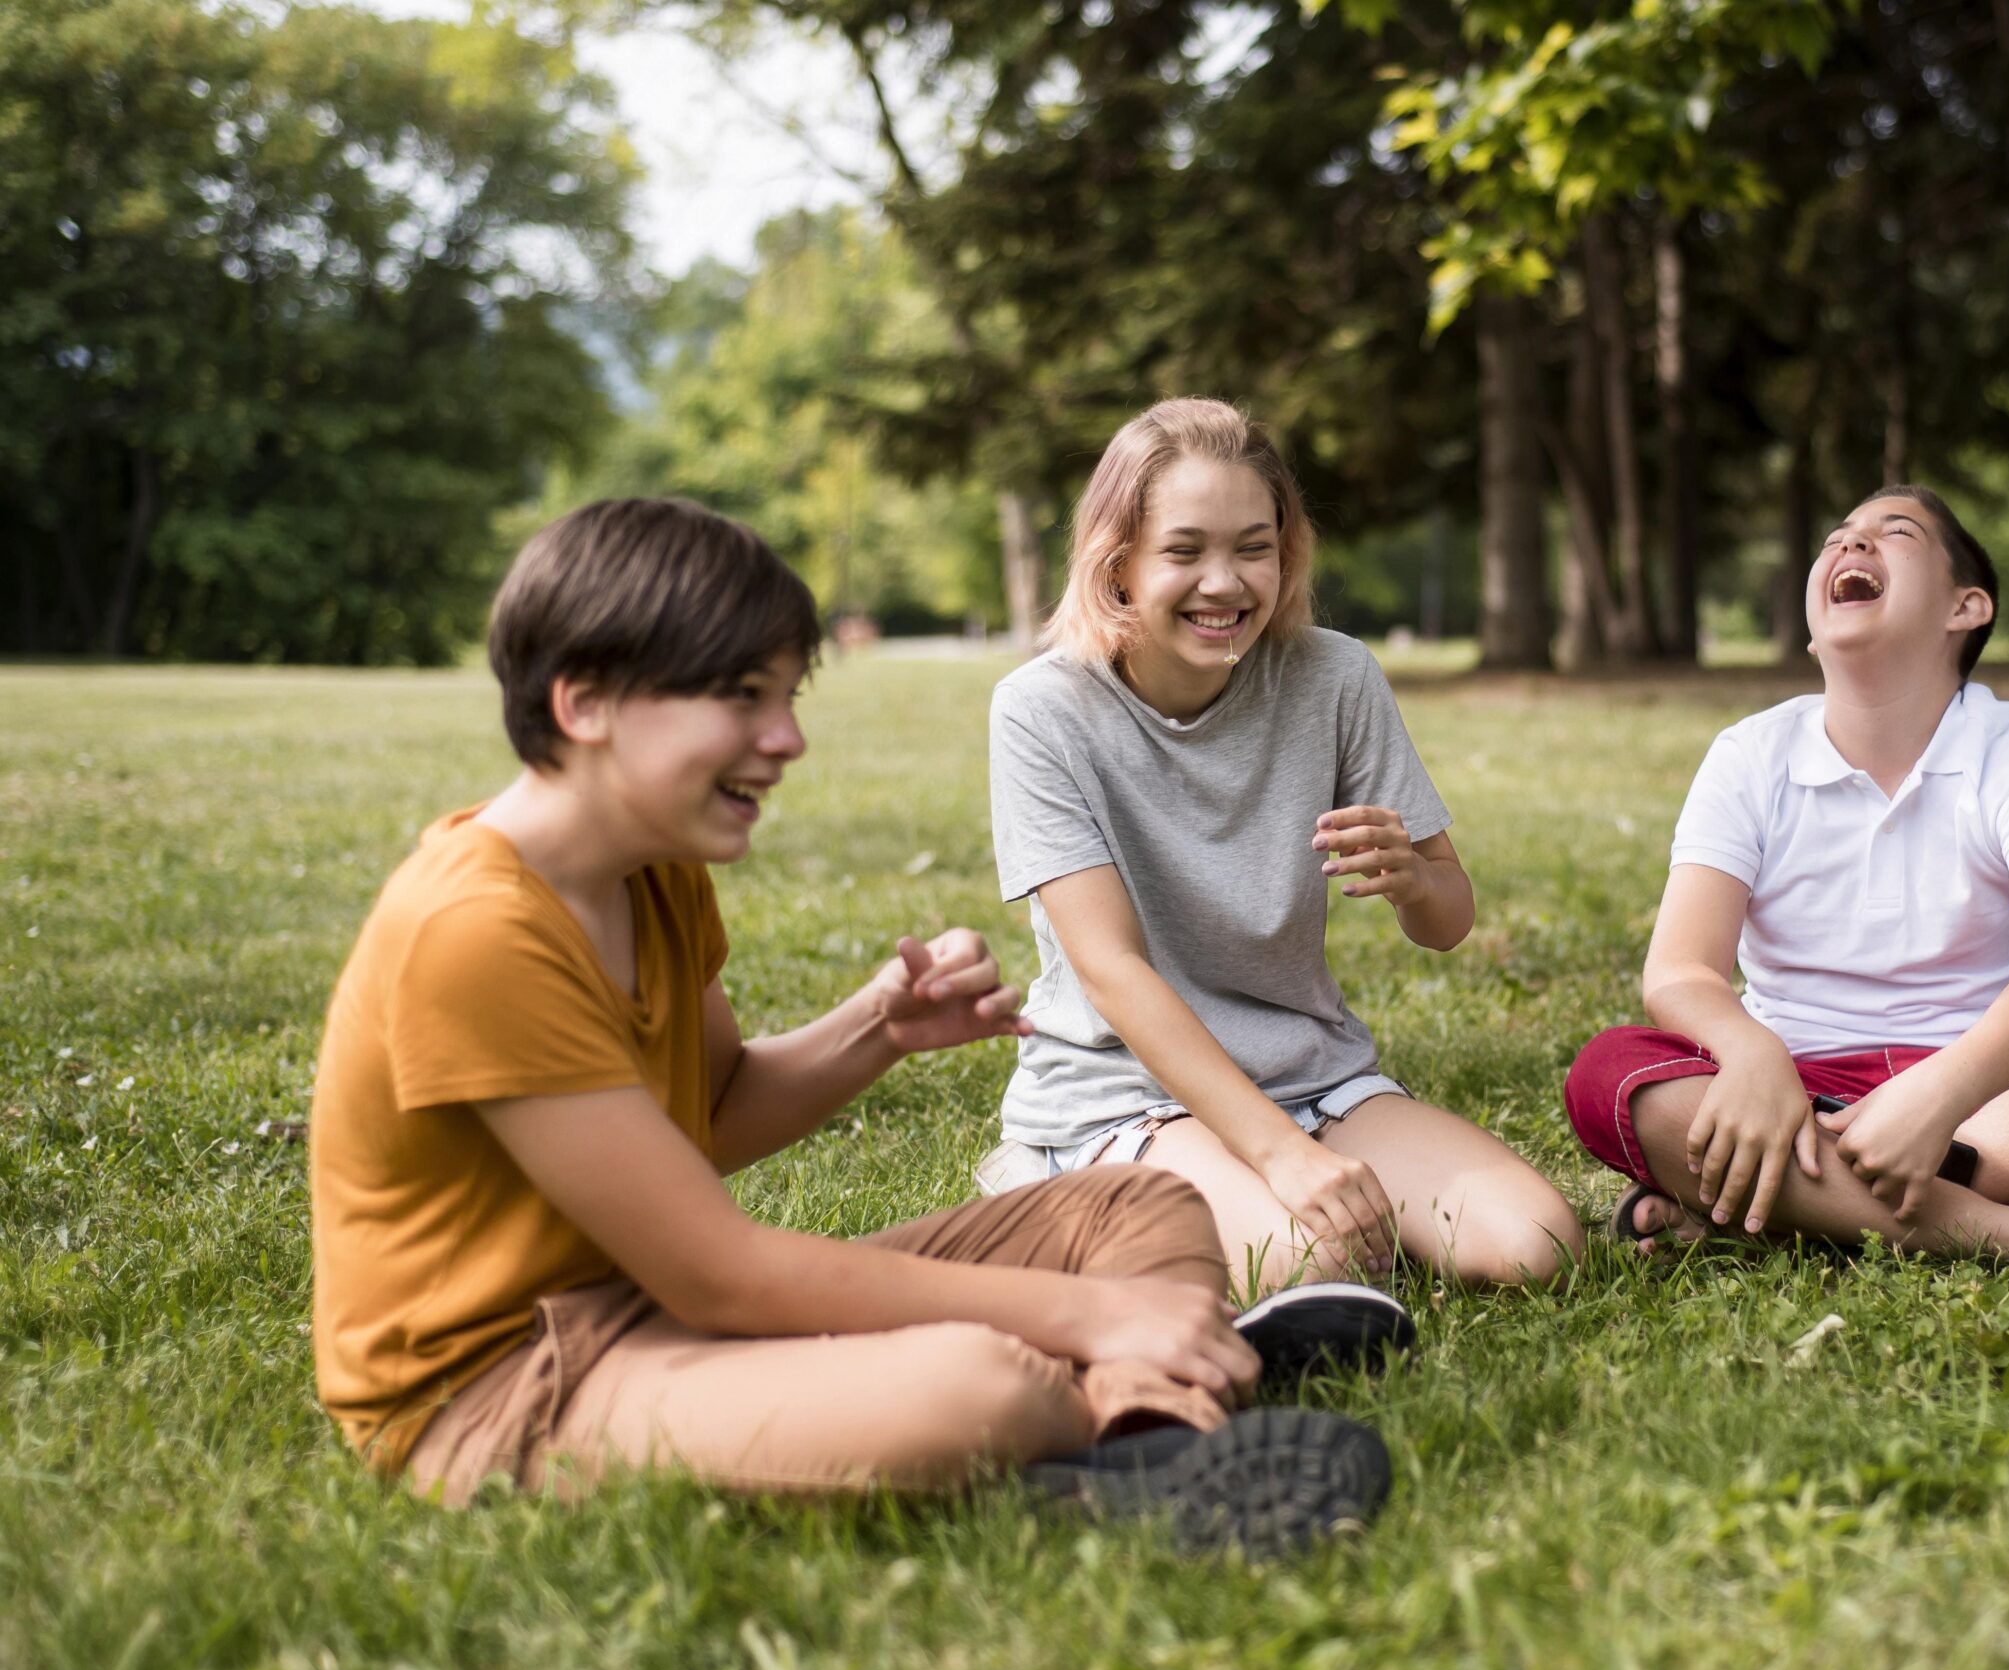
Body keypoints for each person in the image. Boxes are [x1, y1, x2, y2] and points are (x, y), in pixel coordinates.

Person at [306, 496, 1390, 1555]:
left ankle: (1139, 1424)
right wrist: (1084, 1319)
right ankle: (1145, 1389)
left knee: (1138, 1205)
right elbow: (718, 1273)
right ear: (585, 702)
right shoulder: (474, 930)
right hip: (507, 1387)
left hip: (652, 1315)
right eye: (742, 696)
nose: (786, 738)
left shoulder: (652, 870)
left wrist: (877, 1026)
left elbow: (713, 1113)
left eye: (786, 695)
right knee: (972, 1383)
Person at [980, 398, 1584, 1295]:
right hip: (1127, 1089)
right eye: (1184, 550)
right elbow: (1110, 969)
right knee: (1310, 1266)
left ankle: (1236, 1187)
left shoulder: (1336, 677)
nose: (1223, 582)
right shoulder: (1042, 710)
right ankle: (1052, 1173)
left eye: (1252, 547)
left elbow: (1449, 920)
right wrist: (1281, 1158)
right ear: (1118, 562)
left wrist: (1415, 878)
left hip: (1314, 1075)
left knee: (1538, 1244)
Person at [1564, 485, 2009, 1265]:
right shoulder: (1749, 753)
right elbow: (1681, 970)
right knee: (1609, 1073)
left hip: (1989, 1094)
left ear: (1966, 608)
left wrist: (1938, 1098)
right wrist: (1754, 1059)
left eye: (1895, 534)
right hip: (1789, 1086)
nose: (1851, 546)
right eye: (1838, 537)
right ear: (1815, 632)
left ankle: (1784, 1201)